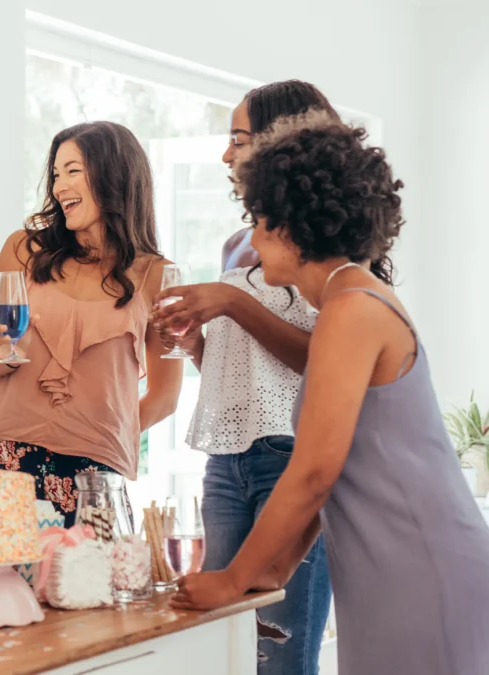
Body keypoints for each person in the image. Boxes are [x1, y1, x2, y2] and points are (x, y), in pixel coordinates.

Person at [171, 111, 489, 675]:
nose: (255, 238)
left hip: (419, 564)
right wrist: (276, 568)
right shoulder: (347, 302)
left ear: (293, 227)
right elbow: (337, 470)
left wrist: (235, 579)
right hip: (385, 565)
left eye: (261, 220)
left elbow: (313, 470)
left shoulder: (351, 309)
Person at [150, 81, 337, 673]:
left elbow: (325, 363)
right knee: (227, 651)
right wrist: (195, 341)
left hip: (289, 459)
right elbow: (241, 374)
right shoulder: (240, 242)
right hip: (226, 466)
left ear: (285, 142)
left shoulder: (328, 246)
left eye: (238, 140)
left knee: (279, 654)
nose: (226, 156)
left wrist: (232, 304)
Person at [0, 121, 182, 526]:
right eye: (55, 174)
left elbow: (166, 396)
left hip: (95, 471)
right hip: (7, 453)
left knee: (88, 586)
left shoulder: (157, 275)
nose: (59, 186)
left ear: (114, 175)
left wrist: (99, 431)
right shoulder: (23, 249)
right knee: (2, 586)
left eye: (73, 171)